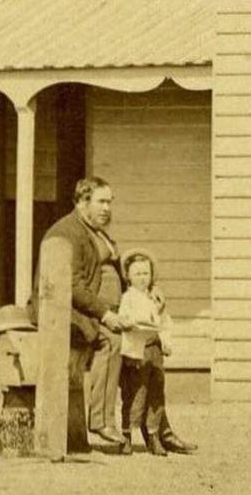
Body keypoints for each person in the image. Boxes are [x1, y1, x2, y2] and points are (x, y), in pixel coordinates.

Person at [30, 176, 197, 454]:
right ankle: (102, 422)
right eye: (102, 202)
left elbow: (120, 271)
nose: (108, 208)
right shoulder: (67, 233)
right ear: (83, 202)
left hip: (98, 310)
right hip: (64, 312)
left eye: (110, 202)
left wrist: (149, 290)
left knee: (151, 345)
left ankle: (157, 429)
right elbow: (71, 286)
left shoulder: (96, 232)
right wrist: (106, 314)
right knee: (112, 340)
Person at [118, 249, 174, 457]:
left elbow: (165, 322)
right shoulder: (128, 298)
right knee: (135, 394)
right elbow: (123, 319)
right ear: (129, 277)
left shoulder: (155, 298)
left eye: (146, 274)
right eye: (137, 274)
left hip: (154, 349)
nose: (142, 278)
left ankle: (153, 436)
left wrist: (166, 343)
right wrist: (130, 322)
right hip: (137, 350)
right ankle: (126, 435)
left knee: (156, 393)